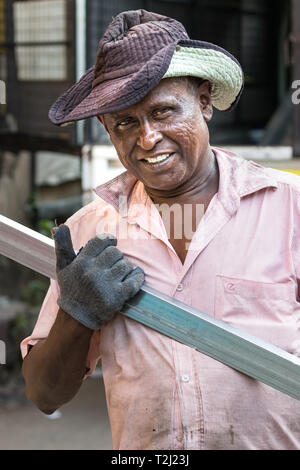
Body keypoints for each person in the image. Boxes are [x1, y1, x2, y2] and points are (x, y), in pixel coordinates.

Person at [21, 9, 300, 450]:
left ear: (205, 101)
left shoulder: (290, 209)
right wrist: (76, 316)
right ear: (107, 130)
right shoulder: (89, 236)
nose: (147, 138)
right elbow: (44, 394)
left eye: (164, 111)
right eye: (125, 124)